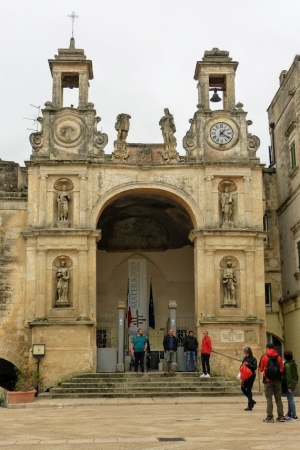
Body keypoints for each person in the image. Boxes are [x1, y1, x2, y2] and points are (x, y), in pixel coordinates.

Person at [259, 343, 284, 423]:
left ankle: (270, 417)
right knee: (278, 399)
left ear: (267, 348)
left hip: (268, 380)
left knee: (269, 398)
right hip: (277, 380)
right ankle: (281, 416)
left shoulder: (264, 357)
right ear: (273, 348)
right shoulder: (279, 357)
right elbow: (282, 369)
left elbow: (261, 369)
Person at [282, 350, 299, 421]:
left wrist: (288, 386)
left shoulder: (287, 365)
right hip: (293, 382)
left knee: (291, 400)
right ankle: (289, 413)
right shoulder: (294, 363)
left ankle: (294, 415)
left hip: (289, 384)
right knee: (289, 399)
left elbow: (288, 376)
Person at [241, 346, 257, 411]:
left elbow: (255, 367)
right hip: (245, 376)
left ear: (250, 352)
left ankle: (249, 405)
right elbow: (242, 365)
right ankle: (251, 401)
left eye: (247, 352)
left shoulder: (253, 359)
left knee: (249, 389)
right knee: (243, 388)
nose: (246, 354)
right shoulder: (244, 358)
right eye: (245, 352)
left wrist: (248, 364)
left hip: (251, 376)